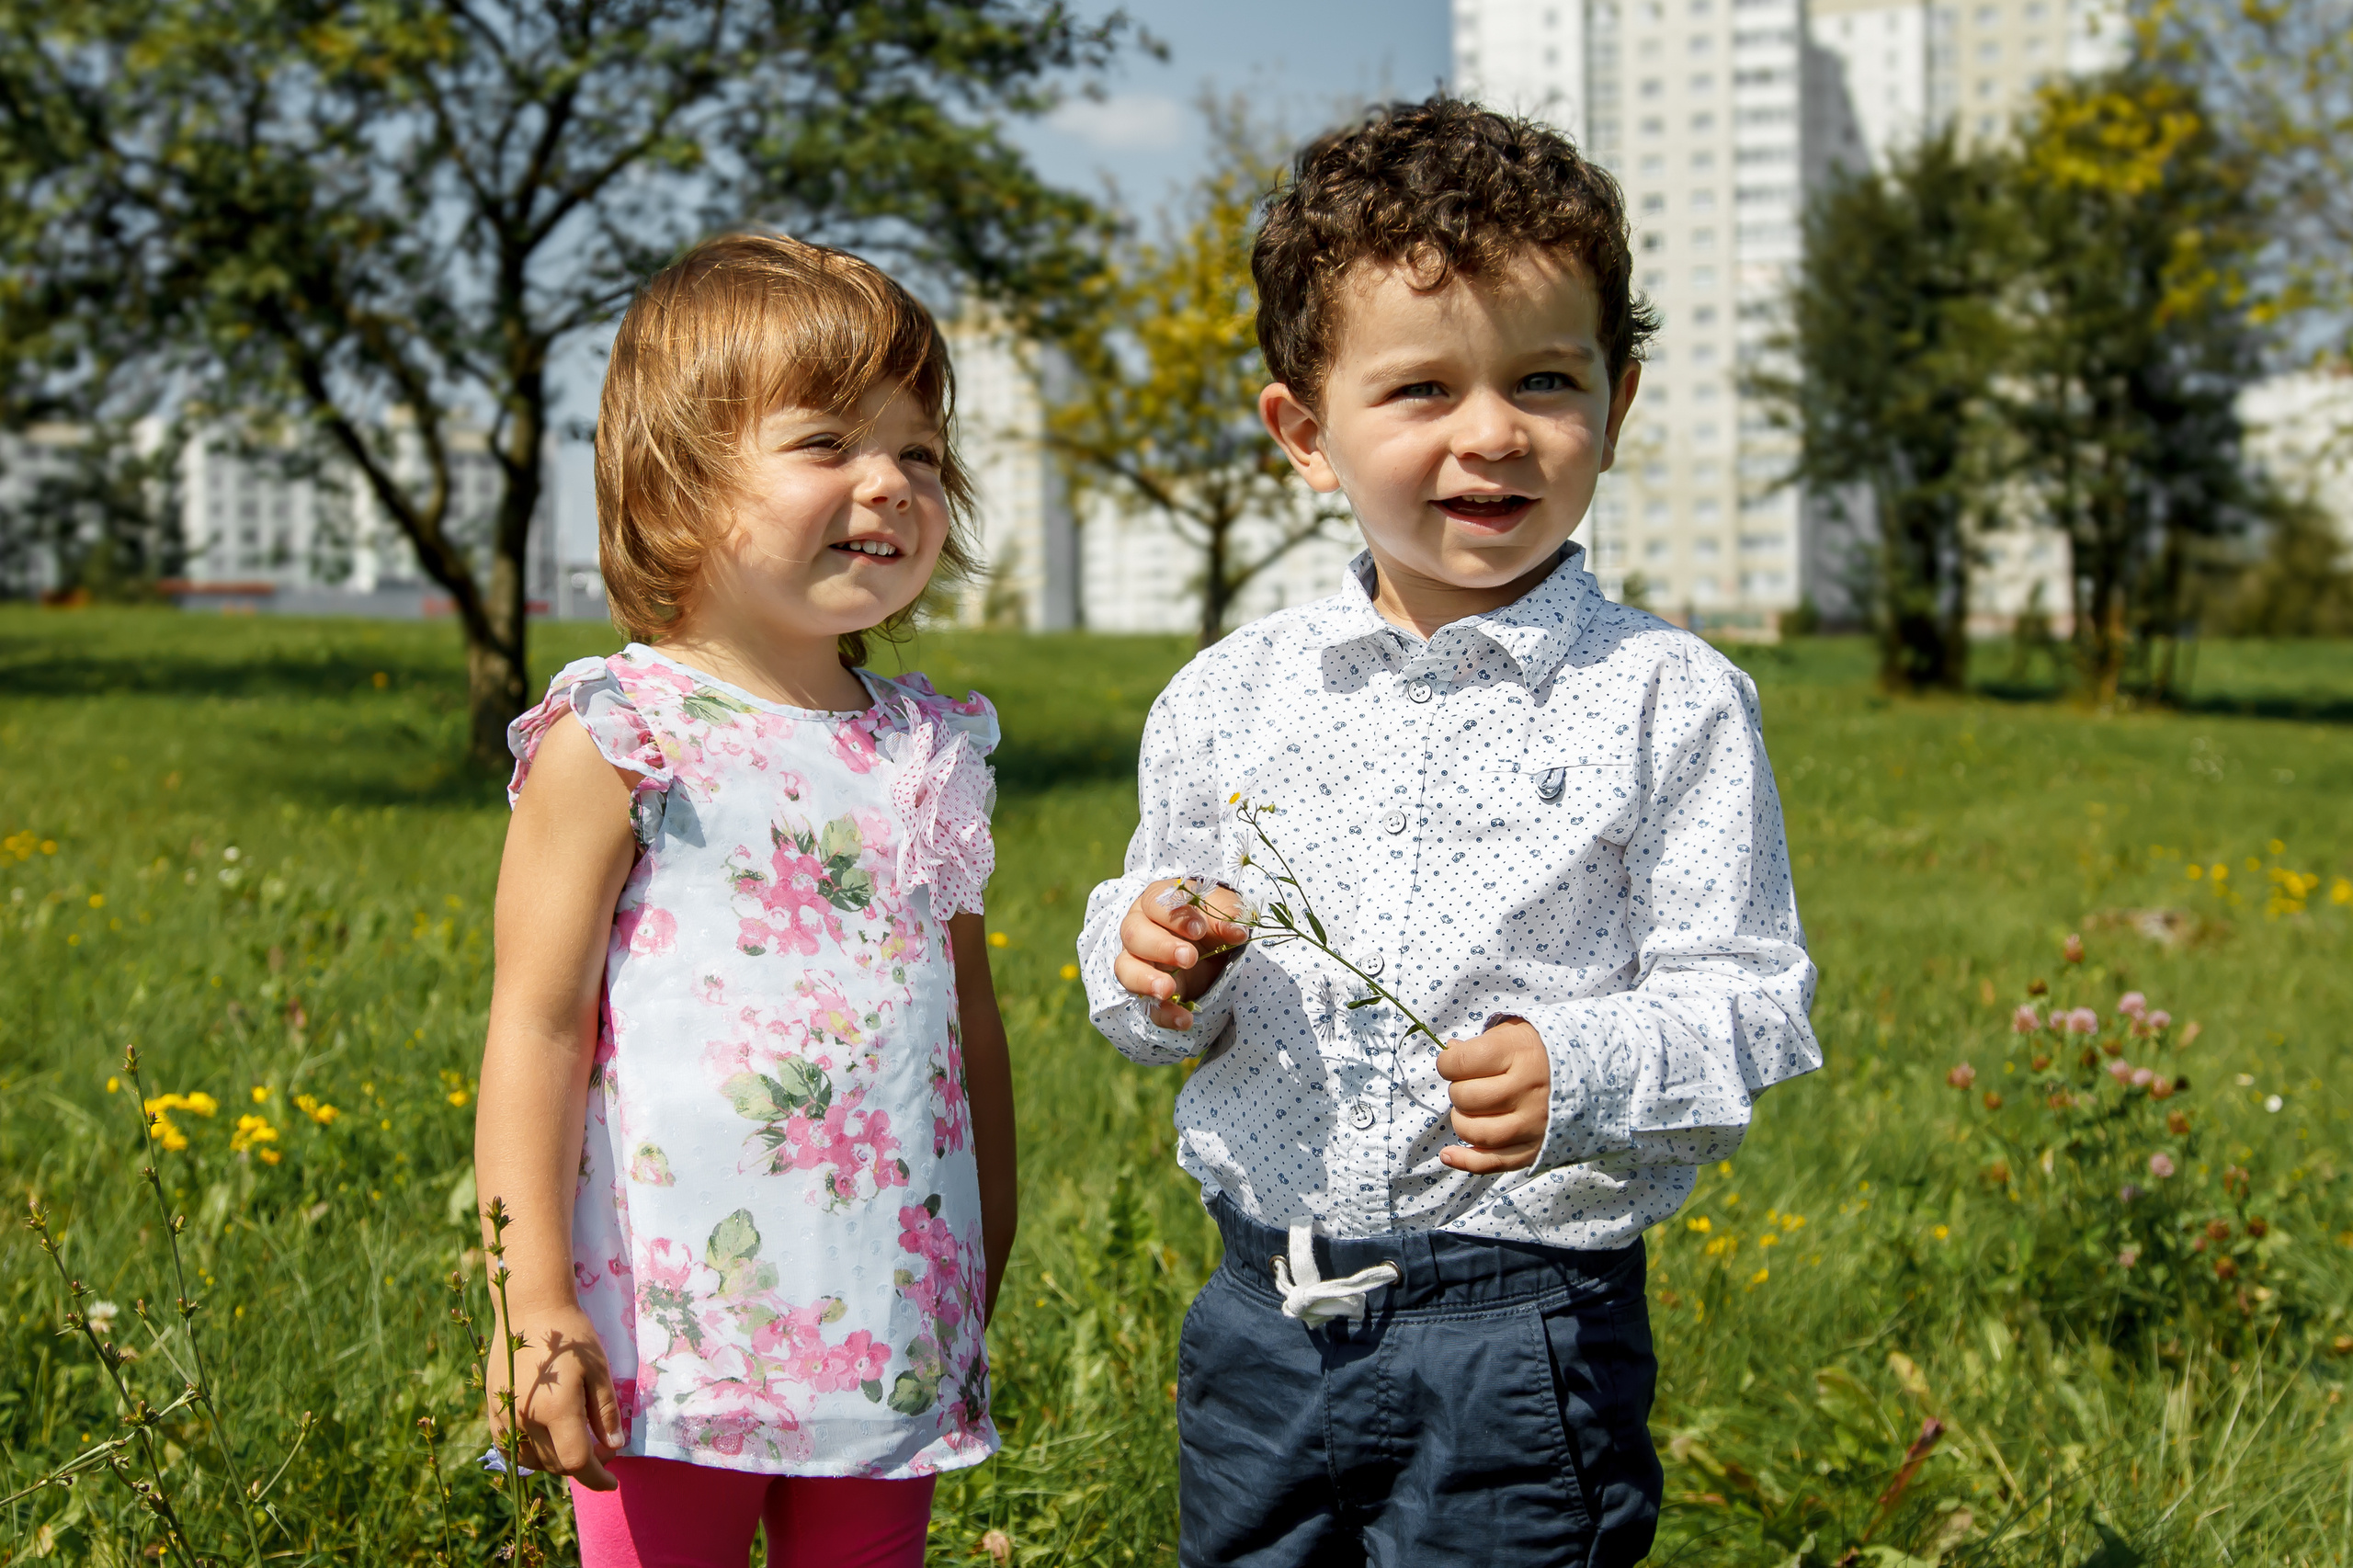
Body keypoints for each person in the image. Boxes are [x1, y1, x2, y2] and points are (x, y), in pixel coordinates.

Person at [1077, 97, 1821, 1567]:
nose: (1492, 432)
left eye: (1545, 378)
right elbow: (1153, 991)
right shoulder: (1229, 695)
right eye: (1422, 388)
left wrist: (1581, 1066)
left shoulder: (1668, 698)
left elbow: (1751, 1002)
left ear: (1616, 403)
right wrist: (1153, 959)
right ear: (1306, 433)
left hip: (1519, 1329)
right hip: (1261, 1320)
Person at [476, 233, 1017, 1568]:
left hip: (888, 1317)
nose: (888, 483)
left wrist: (982, 1253)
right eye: (826, 442)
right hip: (665, 1341)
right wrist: (531, 1300)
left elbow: (968, 1023)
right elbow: (537, 1027)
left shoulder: (930, 747)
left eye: (920, 452)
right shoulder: (622, 733)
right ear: (681, 478)